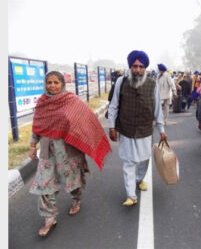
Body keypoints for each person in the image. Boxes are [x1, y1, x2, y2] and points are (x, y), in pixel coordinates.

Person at [28, 71, 111, 237]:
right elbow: (37, 125)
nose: (52, 85)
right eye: (49, 82)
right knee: (44, 183)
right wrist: (32, 145)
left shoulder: (71, 101)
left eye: (56, 82)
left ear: (62, 84)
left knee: (73, 178)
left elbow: (84, 120)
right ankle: (49, 218)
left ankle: (76, 199)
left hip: (68, 149)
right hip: (47, 149)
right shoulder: (42, 102)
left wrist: (85, 139)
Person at [108, 50, 167, 206]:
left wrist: (162, 130)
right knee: (128, 162)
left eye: (141, 67)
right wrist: (111, 127)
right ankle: (131, 195)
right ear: (130, 67)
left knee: (144, 160)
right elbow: (113, 106)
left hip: (145, 130)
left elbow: (157, 110)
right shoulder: (121, 82)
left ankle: (139, 179)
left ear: (145, 68)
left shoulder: (152, 84)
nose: (138, 70)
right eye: (135, 66)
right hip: (126, 129)